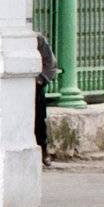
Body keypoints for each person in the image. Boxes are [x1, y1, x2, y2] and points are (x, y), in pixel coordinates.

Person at [35, 31, 59, 167]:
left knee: (39, 121)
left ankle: (44, 151)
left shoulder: (37, 39)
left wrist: (41, 79)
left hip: (35, 86)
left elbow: (50, 63)